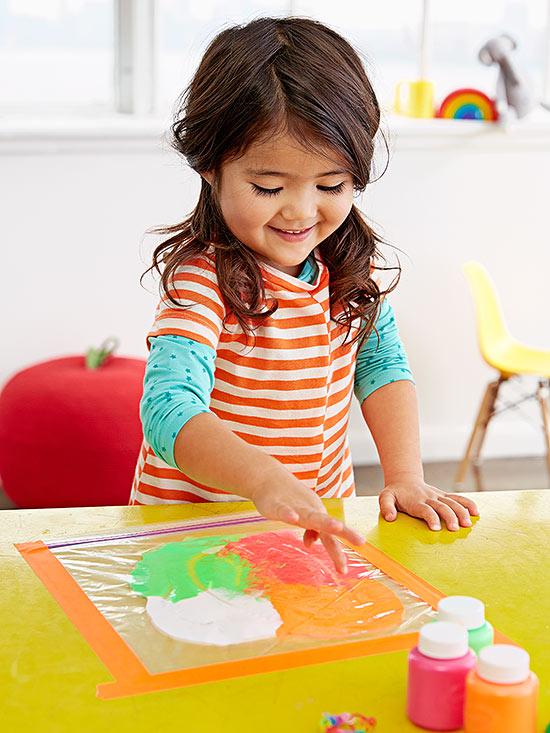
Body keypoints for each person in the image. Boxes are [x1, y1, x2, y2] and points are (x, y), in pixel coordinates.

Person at [130, 16, 478, 572]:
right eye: (268, 186)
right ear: (210, 168)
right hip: (197, 538)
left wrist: (405, 477)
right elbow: (169, 409)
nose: (300, 210)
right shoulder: (203, 281)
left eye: (330, 186)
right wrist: (265, 480)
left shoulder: (348, 277)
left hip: (312, 528)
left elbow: (383, 368)